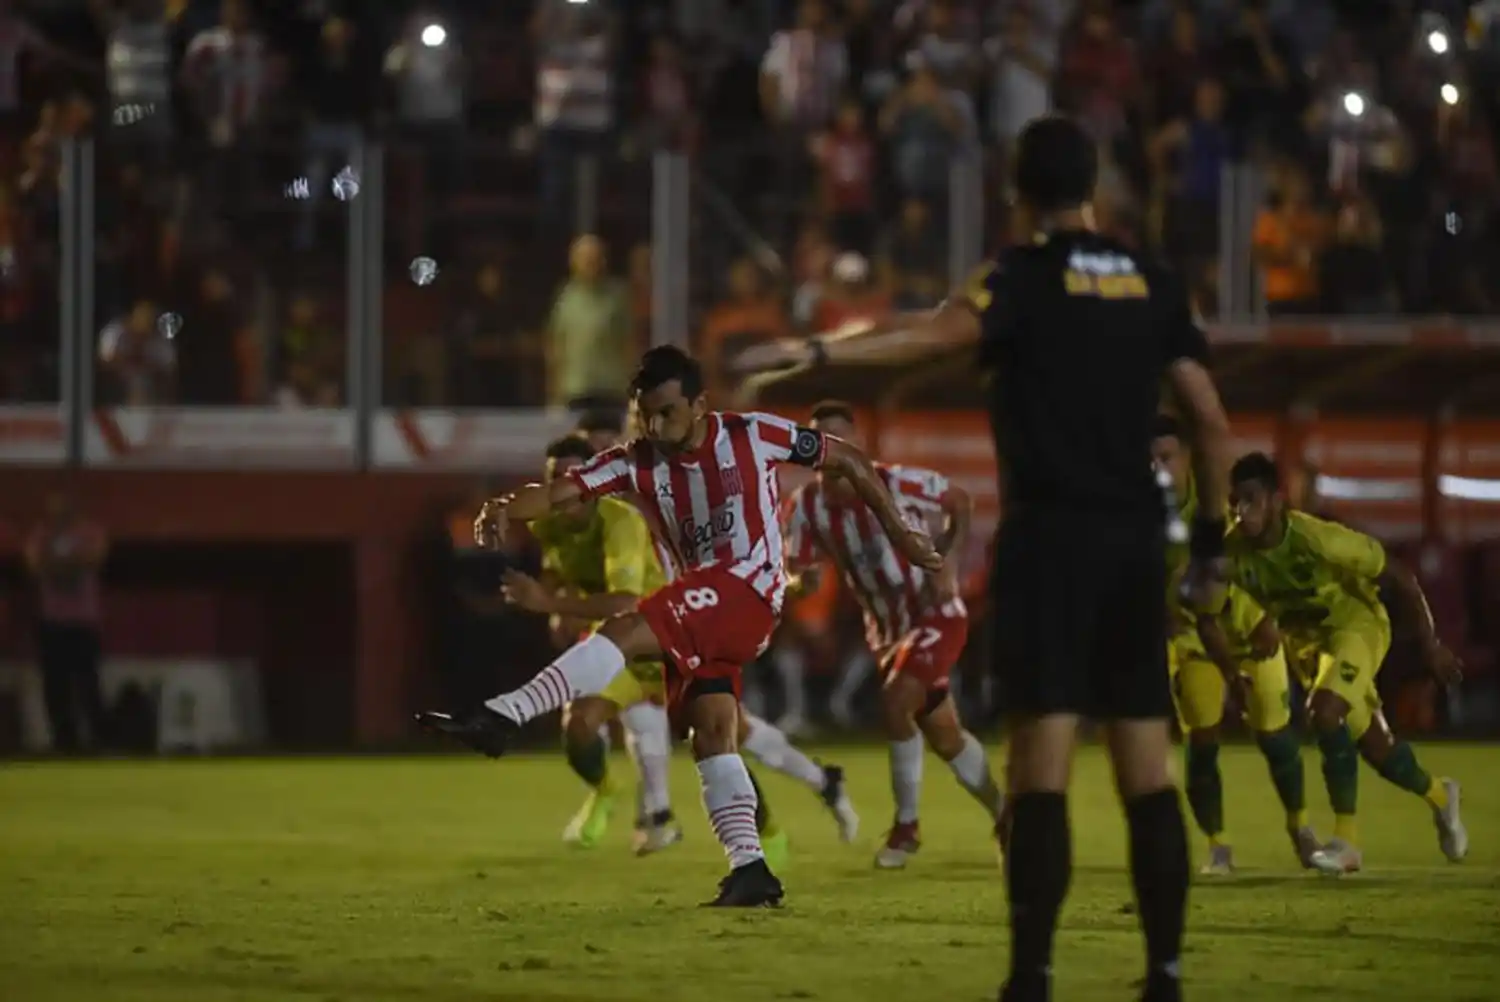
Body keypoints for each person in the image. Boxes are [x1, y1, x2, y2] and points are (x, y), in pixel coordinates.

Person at [734, 114, 1233, 1002]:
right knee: (1146, 774)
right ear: (1098, 187)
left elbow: (927, 336)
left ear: (1015, 191)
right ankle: (1165, 974)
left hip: (1048, 543)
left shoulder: (1017, 277)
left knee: (1040, 769)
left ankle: (1031, 978)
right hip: (1128, 547)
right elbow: (1209, 418)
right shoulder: (1156, 284)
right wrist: (1211, 547)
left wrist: (812, 352)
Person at [419, 345, 938, 906]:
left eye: (667, 411)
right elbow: (560, 491)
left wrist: (901, 532)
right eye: (645, 412)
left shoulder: (750, 433)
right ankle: (751, 870)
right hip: (707, 604)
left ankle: (502, 716)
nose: (654, 424)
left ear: (699, 404)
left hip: (749, 589)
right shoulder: (636, 459)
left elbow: (849, 460)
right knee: (711, 730)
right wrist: (501, 506)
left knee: (623, 628)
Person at [504, 434, 858, 861]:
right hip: (636, 636)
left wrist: (551, 604)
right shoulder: (575, 514)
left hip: (685, 629)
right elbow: (567, 574)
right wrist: (557, 599)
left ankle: (797, 800)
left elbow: (735, 569)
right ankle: (647, 810)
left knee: (726, 737)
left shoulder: (649, 507)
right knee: (590, 721)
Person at [784, 401, 1006, 870]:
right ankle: (1007, 816)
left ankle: (907, 827)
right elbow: (797, 567)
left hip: (935, 614)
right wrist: (799, 582)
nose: (831, 449)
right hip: (885, 631)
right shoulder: (805, 507)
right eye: (821, 440)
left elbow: (959, 501)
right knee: (946, 737)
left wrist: (948, 558)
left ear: (857, 444)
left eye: (840, 437)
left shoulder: (897, 481)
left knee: (896, 700)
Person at [1225, 452, 1468, 875]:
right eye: (1236, 502)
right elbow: (1215, 603)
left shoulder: (1319, 538)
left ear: (1277, 500)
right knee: (1378, 750)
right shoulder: (1233, 551)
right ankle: (1442, 797)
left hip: (1358, 628)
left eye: (1252, 499)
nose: (1243, 511)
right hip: (1311, 649)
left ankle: (1347, 843)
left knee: (1324, 712)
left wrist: (1431, 646)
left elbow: (1399, 576)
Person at [1152, 417, 1320, 874]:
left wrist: (1266, 619)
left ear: (1186, 459)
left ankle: (1301, 829)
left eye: (1165, 457)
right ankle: (1218, 846)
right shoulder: (1139, 515)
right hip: (1192, 640)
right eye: (1149, 459)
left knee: (1275, 737)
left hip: (1251, 633)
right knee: (1201, 739)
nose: (1157, 468)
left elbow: (1254, 562)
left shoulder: (1221, 507)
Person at [24, 494, 109, 754]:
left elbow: (93, 559)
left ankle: (99, 739)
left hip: (83, 620)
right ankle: (64, 741)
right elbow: (33, 563)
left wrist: (56, 565)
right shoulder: (41, 533)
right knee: (55, 684)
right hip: (52, 620)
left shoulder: (89, 531)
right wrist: (66, 565)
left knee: (88, 682)